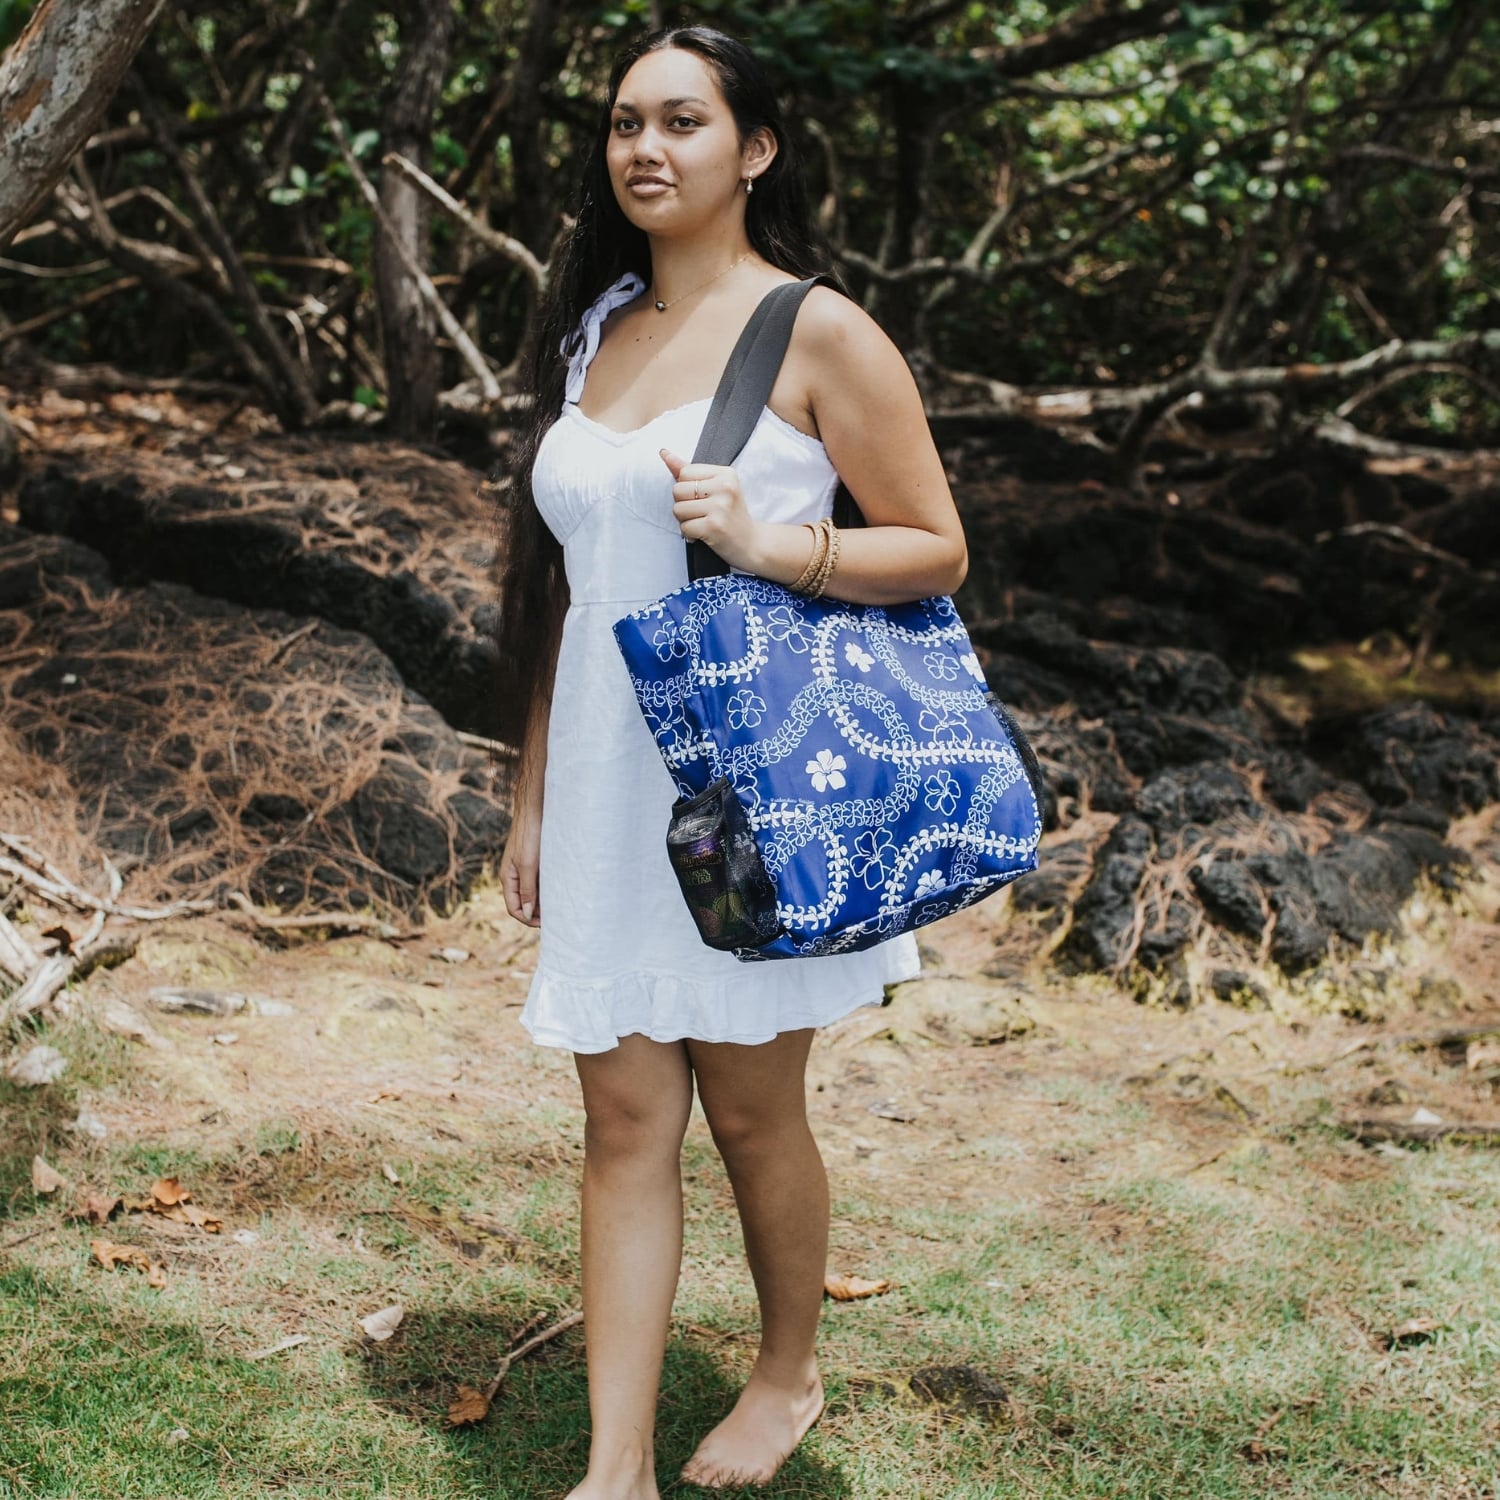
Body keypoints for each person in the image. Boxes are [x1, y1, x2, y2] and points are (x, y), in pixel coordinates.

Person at [494, 24, 967, 1498]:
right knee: (624, 1115)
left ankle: (786, 1372)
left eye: (682, 121)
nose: (645, 147)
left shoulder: (817, 332)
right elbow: (567, 588)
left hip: (744, 792)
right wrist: (529, 791)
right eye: (626, 122)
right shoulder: (596, 329)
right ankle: (614, 1465)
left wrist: (778, 547)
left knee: (756, 1111)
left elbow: (939, 544)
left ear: (752, 147)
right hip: (601, 794)